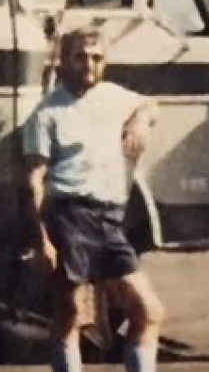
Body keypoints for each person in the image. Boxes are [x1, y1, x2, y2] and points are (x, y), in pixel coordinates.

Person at [23, 27, 164, 372]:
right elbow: (34, 181)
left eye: (97, 57)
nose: (89, 64)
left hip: (110, 218)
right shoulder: (46, 113)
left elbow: (150, 104)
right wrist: (42, 241)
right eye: (80, 56)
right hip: (68, 216)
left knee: (148, 311)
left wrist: (141, 120)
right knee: (70, 314)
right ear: (63, 62)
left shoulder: (116, 96)